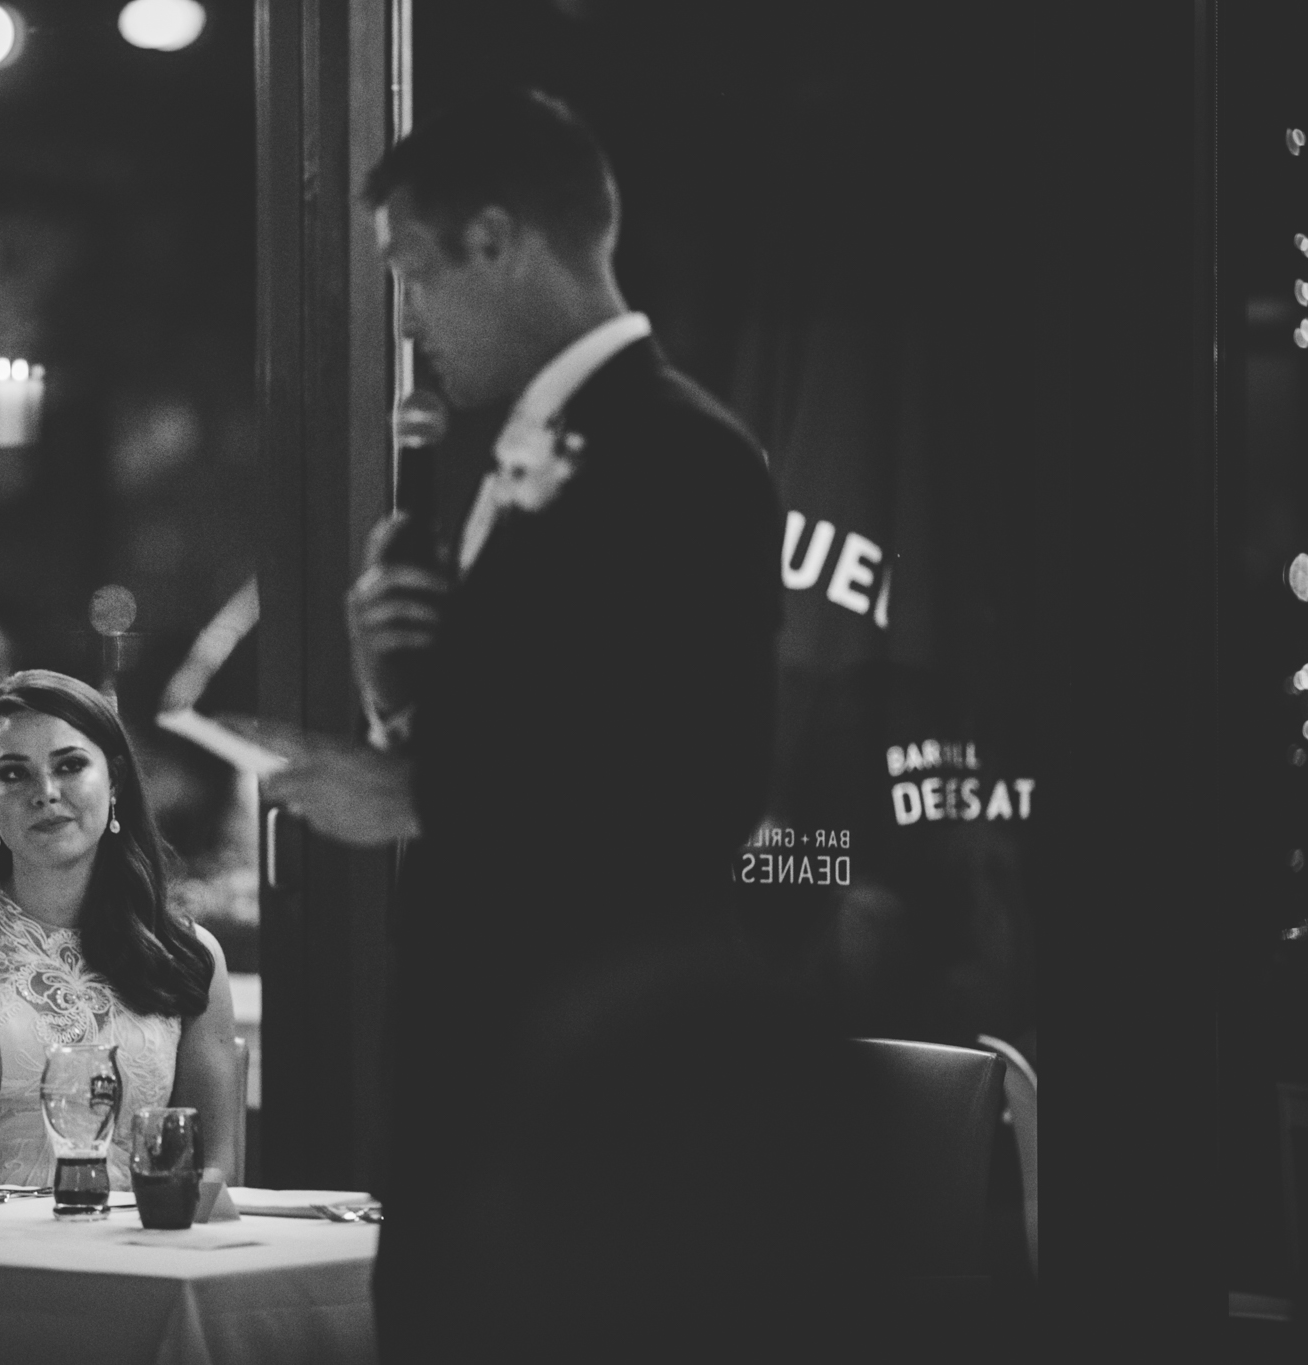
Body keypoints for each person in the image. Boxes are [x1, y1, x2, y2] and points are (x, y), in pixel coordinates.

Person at [243, 89, 875, 1359]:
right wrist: (400, 693)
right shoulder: (533, 450)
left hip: (585, 1095)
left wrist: (416, 795)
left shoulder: (680, 453)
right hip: (487, 1084)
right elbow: (567, 726)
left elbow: (697, 784)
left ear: (494, 240)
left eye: (409, 272)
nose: (404, 319)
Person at [0, 669, 242, 1188]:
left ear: (115, 780)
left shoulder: (191, 954)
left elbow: (213, 1165)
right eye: (14, 774)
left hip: (139, 1235)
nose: (45, 793)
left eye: (69, 765)